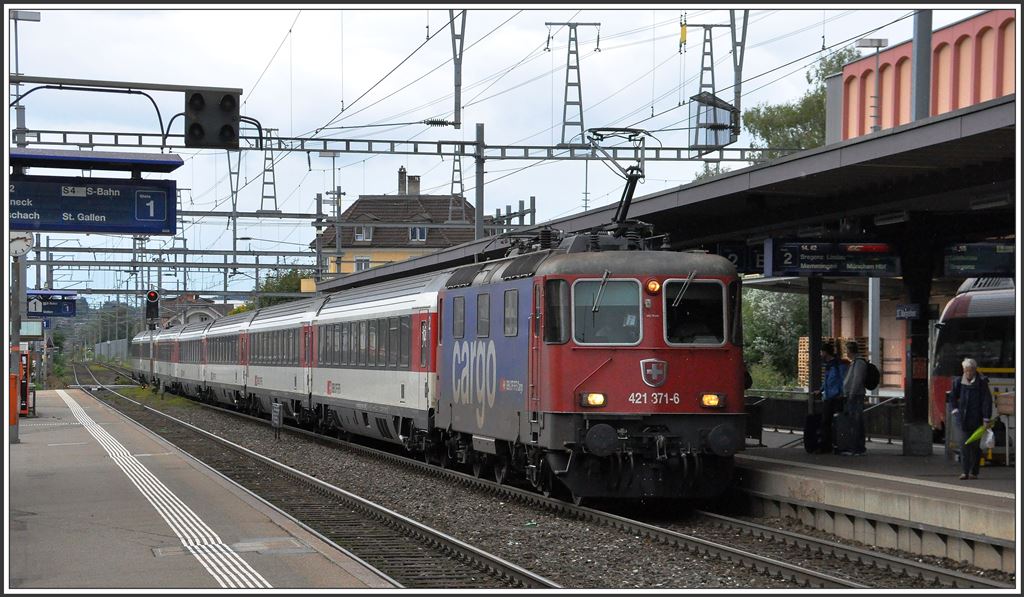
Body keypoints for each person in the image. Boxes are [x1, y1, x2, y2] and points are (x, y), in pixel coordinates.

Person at [951, 358, 993, 480]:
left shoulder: (981, 383)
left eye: (970, 371)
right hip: (962, 419)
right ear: (963, 370)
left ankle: (974, 471)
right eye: (966, 371)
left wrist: (986, 417)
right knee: (964, 444)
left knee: (975, 446)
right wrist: (955, 410)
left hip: (977, 419)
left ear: (975, 370)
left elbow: (986, 401)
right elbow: (953, 396)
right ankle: (965, 471)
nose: (968, 373)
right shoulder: (958, 382)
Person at [816, 343, 848, 454]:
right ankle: (827, 446)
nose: (820, 354)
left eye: (821, 351)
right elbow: (827, 381)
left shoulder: (838, 365)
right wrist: (821, 390)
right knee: (826, 422)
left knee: (833, 422)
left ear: (825, 352)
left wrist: (842, 393)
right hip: (829, 397)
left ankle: (836, 445)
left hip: (836, 398)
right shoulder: (829, 365)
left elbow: (843, 381)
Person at [840, 341, 867, 455]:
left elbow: (857, 380)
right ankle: (855, 446)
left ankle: (857, 448)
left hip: (855, 396)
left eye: (847, 351)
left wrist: (851, 393)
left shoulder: (859, 363)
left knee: (855, 421)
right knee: (854, 421)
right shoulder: (855, 362)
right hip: (853, 395)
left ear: (851, 351)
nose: (846, 353)